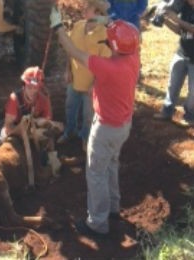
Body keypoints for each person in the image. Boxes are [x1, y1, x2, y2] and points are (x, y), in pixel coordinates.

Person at [50, 8, 140, 237]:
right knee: (111, 165)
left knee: (96, 173)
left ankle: (97, 223)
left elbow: (72, 50)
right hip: (123, 126)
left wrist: (58, 26)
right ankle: (112, 209)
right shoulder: (133, 57)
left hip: (105, 129)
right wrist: (107, 20)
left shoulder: (107, 67)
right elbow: (126, 29)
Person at [56, 0, 112, 153]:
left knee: (88, 116)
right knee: (70, 107)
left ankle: (86, 139)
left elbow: (105, 65)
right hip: (74, 79)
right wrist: (68, 70)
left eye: (89, 8)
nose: (84, 9)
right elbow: (70, 50)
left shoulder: (104, 34)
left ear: (98, 13)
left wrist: (95, 84)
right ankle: (69, 132)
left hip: (91, 85)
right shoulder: (78, 25)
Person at [153, 0, 194, 127]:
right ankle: (167, 111)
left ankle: (190, 115)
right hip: (182, 52)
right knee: (173, 85)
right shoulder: (185, 6)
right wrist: (164, 20)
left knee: (193, 92)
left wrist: (177, 19)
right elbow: (181, 31)